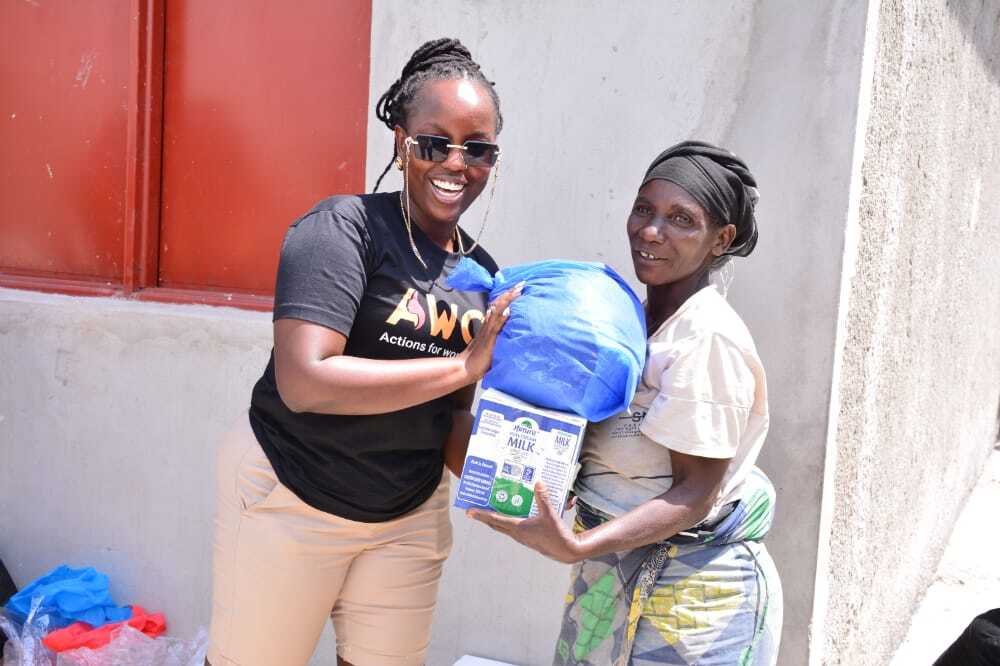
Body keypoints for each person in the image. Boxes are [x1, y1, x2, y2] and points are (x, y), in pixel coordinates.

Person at [207, 38, 520, 666]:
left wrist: (516, 494)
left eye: (477, 148)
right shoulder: (342, 229)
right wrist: (462, 365)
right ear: (402, 143)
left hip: (406, 515)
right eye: (434, 143)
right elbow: (306, 380)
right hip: (293, 495)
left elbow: (453, 414)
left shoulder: (480, 272)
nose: (455, 163)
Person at [469, 141, 783, 665]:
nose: (650, 230)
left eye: (681, 219)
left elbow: (697, 491)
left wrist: (577, 546)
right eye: (644, 209)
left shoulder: (705, 339)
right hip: (612, 573)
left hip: (689, 601)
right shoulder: (629, 322)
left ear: (720, 239)